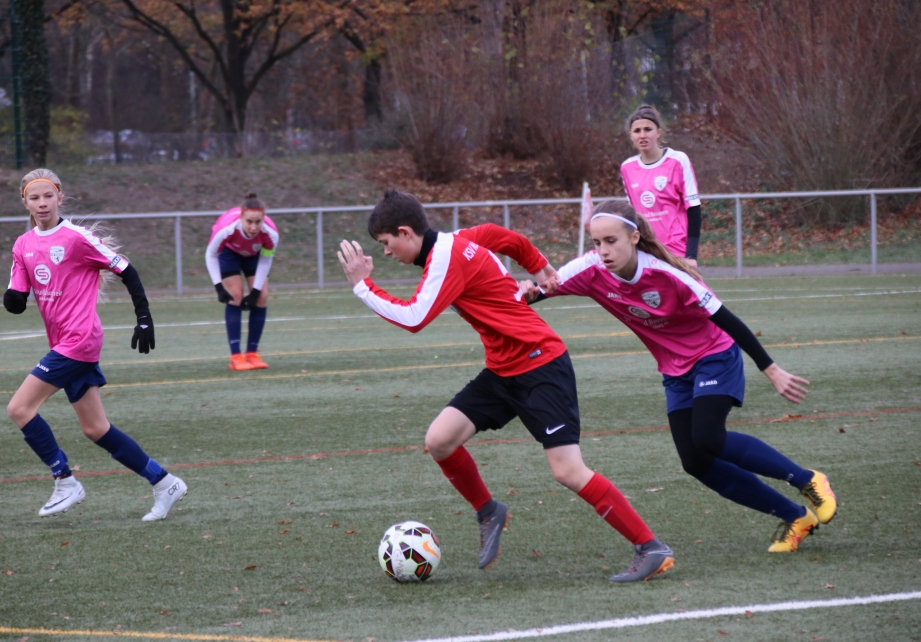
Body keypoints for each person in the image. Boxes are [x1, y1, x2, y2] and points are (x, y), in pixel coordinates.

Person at [336, 189, 675, 583]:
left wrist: (363, 285)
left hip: (541, 365)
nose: (386, 252)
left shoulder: (445, 257)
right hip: (503, 370)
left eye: (386, 242)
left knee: (568, 471)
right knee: (440, 440)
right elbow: (504, 236)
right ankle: (489, 511)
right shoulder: (457, 240)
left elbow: (414, 317)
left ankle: (650, 547)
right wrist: (540, 267)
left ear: (406, 232)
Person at [524, 200, 836, 553]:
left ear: (634, 237)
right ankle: (796, 516)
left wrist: (771, 369)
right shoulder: (589, 268)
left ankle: (808, 480)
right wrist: (527, 292)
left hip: (714, 356)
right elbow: (538, 291)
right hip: (675, 369)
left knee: (709, 437)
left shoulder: (667, 274)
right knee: (695, 461)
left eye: (611, 241)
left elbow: (727, 320)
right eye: (597, 243)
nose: (603, 250)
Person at [3, 168, 187, 521]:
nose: (42, 203)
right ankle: (165, 483)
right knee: (95, 428)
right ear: (24, 202)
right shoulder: (23, 245)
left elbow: (127, 270)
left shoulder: (77, 237)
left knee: (20, 409)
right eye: (34, 197)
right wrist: (13, 298)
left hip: (79, 340)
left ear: (60, 197)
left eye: (48, 195)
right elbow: (17, 294)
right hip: (63, 341)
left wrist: (144, 318)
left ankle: (65, 481)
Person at [620, 105, 703, 268]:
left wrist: (691, 255)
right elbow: (633, 216)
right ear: (631, 136)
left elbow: (694, 209)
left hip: (677, 251)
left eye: (648, 129)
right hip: (645, 251)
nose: (642, 135)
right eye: (637, 131)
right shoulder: (627, 168)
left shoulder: (678, 160)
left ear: (658, 132)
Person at [205, 193, 280, 371]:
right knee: (235, 295)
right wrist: (218, 286)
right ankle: (235, 357)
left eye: (258, 222)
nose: (253, 227)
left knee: (262, 296)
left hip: (254, 255)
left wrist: (255, 292)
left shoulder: (271, 234)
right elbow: (211, 254)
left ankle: (252, 354)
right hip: (229, 252)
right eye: (249, 222)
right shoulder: (227, 230)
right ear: (241, 218)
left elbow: (266, 260)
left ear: (263, 220)